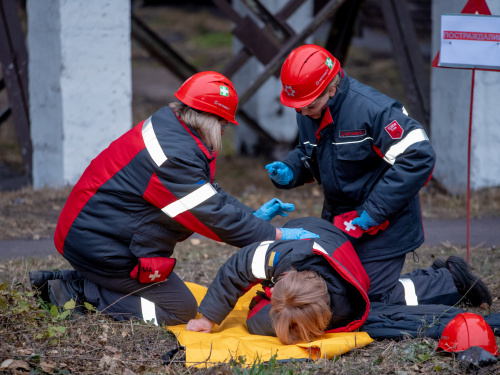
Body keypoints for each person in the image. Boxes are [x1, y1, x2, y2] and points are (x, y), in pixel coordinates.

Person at [29, 71, 319, 326]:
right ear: (211, 118)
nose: (223, 131)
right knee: (177, 310)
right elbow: (212, 213)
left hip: (96, 234)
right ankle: (77, 292)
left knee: (176, 300)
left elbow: (207, 195)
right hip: (99, 245)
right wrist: (274, 233)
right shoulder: (174, 155)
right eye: (223, 125)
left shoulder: (174, 130)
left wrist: (251, 218)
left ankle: (76, 282)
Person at [265, 44, 439, 304]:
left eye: (308, 106)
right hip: (340, 220)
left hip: (384, 222)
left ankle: (447, 280)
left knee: (368, 298)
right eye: (297, 107)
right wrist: (292, 168)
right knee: (330, 290)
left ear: (331, 91)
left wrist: (375, 211)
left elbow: (419, 156)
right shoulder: (308, 106)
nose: (302, 113)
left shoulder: (374, 110)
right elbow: (311, 152)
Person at [186, 217, 493, 344]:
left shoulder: (343, 309)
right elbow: (235, 267)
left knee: (384, 299)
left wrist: (261, 306)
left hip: (340, 245)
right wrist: (210, 316)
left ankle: (448, 280)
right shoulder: (278, 256)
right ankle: (449, 280)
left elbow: (256, 322)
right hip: (304, 230)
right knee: (386, 298)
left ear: (325, 319)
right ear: (280, 280)